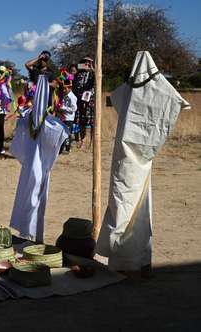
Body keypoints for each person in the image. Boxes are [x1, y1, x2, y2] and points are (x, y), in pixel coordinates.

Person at [95, 51, 190, 278]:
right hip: (136, 161)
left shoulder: (130, 89)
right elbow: (177, 101)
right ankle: (132, 261)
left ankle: (129, 261)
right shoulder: (150, 88)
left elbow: (112, 99)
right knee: (130, 205)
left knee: (124, 203)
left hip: (127, 161)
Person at [9, 70, 68, 243]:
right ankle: (33, 234)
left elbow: (18, 132)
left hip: (30, 164)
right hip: (40, 163)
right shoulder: (50, 123)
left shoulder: (28, 118)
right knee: (36, 195)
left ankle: (31, 232)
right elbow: (62, 132)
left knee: (30, 194)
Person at [72, 56, 95, 149]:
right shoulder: (79, 73)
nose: (86, 63)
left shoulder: (93, 73)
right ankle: (82, 141)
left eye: (88, 61)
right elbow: (73, 68)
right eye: (85, 61)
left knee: (91, 122)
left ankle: (91, 142)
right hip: (79, 99)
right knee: (81, 121)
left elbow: (98, 76)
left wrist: (91, 67)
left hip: (90, 100)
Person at [56, 78, 77, 154]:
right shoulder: (65, 96)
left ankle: (67, 149)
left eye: (65, 88)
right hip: (62, 117)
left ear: (70, 88)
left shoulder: (72, 97)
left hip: (68, 118)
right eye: (63, 88)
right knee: (62, 134)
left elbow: (74, 108)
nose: (64, 90)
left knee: (67, 134)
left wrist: (63, 107)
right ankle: (61, 149)